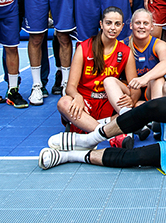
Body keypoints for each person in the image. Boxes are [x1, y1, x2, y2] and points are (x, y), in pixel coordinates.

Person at [57, 8, 137, 143]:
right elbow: (70, 86)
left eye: (117, 24)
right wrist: (77, 97)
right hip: (86, 100)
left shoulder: (125, 51)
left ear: (122, 27)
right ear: (101, 24)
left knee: (138, 107)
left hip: (108, 102)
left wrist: (133, 99)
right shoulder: (84, 47)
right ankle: (107, 133)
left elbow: (135, 86)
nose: (113, 28)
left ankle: (91, 127)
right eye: (109, 23)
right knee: (63, 102)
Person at [124, 9, 166, 105]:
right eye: (138, 23)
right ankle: (123, 111)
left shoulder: (159, 44)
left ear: (151, 27)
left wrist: (144, 79)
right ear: (131, 25)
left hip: (151, 90)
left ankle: (156, 115)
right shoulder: (123, 45)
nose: (141, 26)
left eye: (145, 23)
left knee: (158, 79)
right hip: (129, 90)